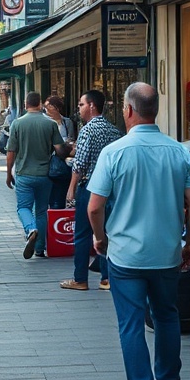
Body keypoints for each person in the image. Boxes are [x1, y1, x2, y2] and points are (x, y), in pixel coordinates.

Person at [87, 82, 190, 380]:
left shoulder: (113, 153)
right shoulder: (179, 152)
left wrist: (100, 239)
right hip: (166, 254)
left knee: (131, 325)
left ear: (128, 110)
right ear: (156, 111)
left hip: (125, 257)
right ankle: (168, 378)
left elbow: (94, 208)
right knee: (166, 317)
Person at [61, 89, 122, 291]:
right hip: (110, 188)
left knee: (82, 234)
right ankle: (106, 278)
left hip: (89, 187)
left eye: (81, 105)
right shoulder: (114, 130)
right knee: (106, 231)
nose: (79, 109)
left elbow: (80, 162)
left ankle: (80, 278)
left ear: (92, 106)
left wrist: (71, 188)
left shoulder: (88, 130)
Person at [5, 91, 69, 259]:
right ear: (40, 104)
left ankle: (30, 229)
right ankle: (40, 248)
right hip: (45, 175)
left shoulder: (17, 124)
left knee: (23, 207)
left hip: (24, 174)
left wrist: (8, 174)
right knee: (41, 210)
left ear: (26, 104)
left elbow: (11, 152)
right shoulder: (50, 124)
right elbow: (59, 150)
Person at [44, 95, 75, 210]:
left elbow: (71, 138)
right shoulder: (45, 122)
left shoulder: (67, 122)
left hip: (64, 160)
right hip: (50, 159)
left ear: (57, 108)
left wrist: (68, 144)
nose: (46, 110)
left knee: (60, 192)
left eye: (49, 107)